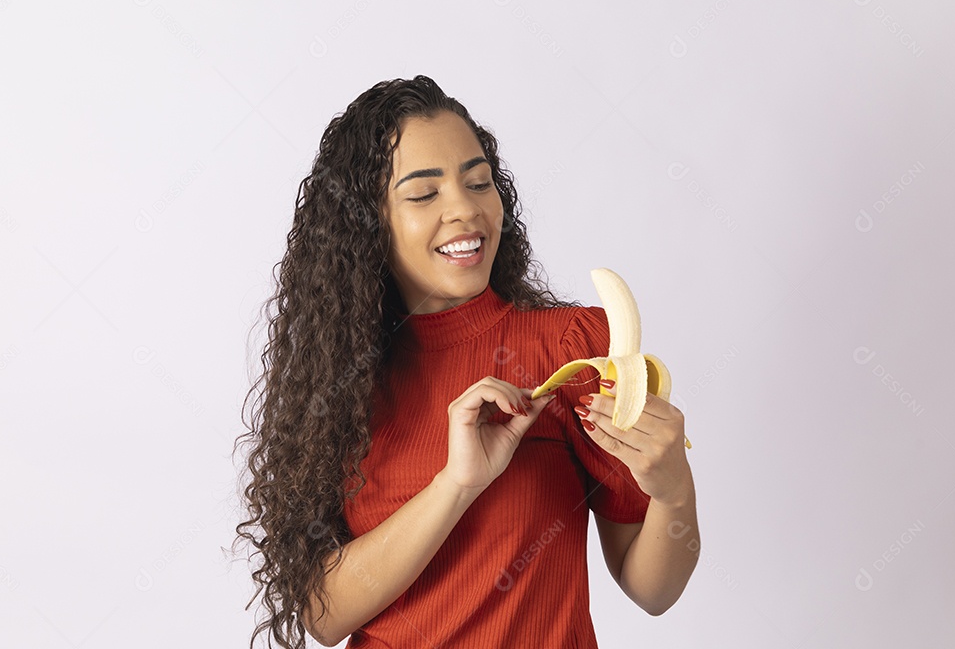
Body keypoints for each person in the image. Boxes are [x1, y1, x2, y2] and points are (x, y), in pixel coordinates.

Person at [232, 75, 699, 649]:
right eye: (424, 194)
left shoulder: (572, 351)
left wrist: (675, 491)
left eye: (478, 183)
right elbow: (325, 618)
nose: (465, 209)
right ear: (369, 222)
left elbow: (651, 589)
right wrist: (457, 483)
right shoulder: (340, 380)